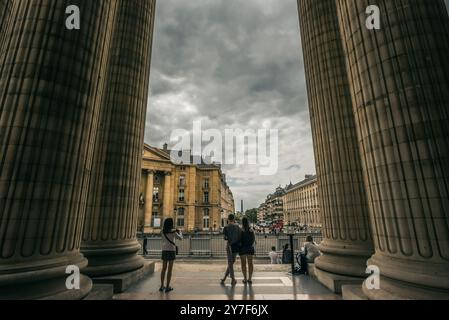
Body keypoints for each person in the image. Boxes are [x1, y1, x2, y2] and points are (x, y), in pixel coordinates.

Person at [160, 218, 182, 293]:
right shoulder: (173, 232)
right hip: (171, 250)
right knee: (169, 270)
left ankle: (161, 285)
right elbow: (180, 238)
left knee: (163, 269)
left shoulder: (162, 231)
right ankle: (167, 286)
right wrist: (180, 232)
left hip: (164, 250)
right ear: (171, 224)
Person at [221, 214, 241, 286]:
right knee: (231, 263)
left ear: (228, 219)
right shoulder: (238, 227)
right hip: (235, 246)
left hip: (229, 246)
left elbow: (225, 238)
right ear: (234, 219)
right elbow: (240, 237)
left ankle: (232, 279)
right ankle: (224, 278)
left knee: (230, 263)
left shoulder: (226, 227)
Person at [239, 217, 255, 284]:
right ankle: (250, 278)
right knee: (250, 264)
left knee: (243, 264)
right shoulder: (251, 230)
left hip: (242, 248)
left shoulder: (240, 230)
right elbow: (253, 239)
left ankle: (245, 278)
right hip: (249, 248)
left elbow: (238, 239)